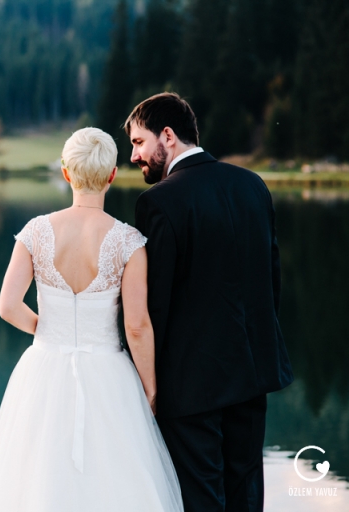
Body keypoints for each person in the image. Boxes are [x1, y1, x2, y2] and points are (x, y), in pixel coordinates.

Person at [0, 127, 183, 512]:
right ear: (112, 175)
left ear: (66, 173)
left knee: (36, 480)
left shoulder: (35, 232)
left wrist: (48, 331)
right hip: (109, 373)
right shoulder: (129, 242)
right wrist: (149, 391)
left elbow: (7, 306)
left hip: (43, 369)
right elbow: (137, 326)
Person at [126, 92, 294, 512]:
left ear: (168, 135)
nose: (133, 156)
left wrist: (144, 381)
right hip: (253, 372)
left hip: (190, 385)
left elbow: (155, 307)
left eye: (139, 142)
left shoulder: (159, 202)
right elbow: (270, 282)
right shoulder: (252, 185)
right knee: (245, 494)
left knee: (200, 500)